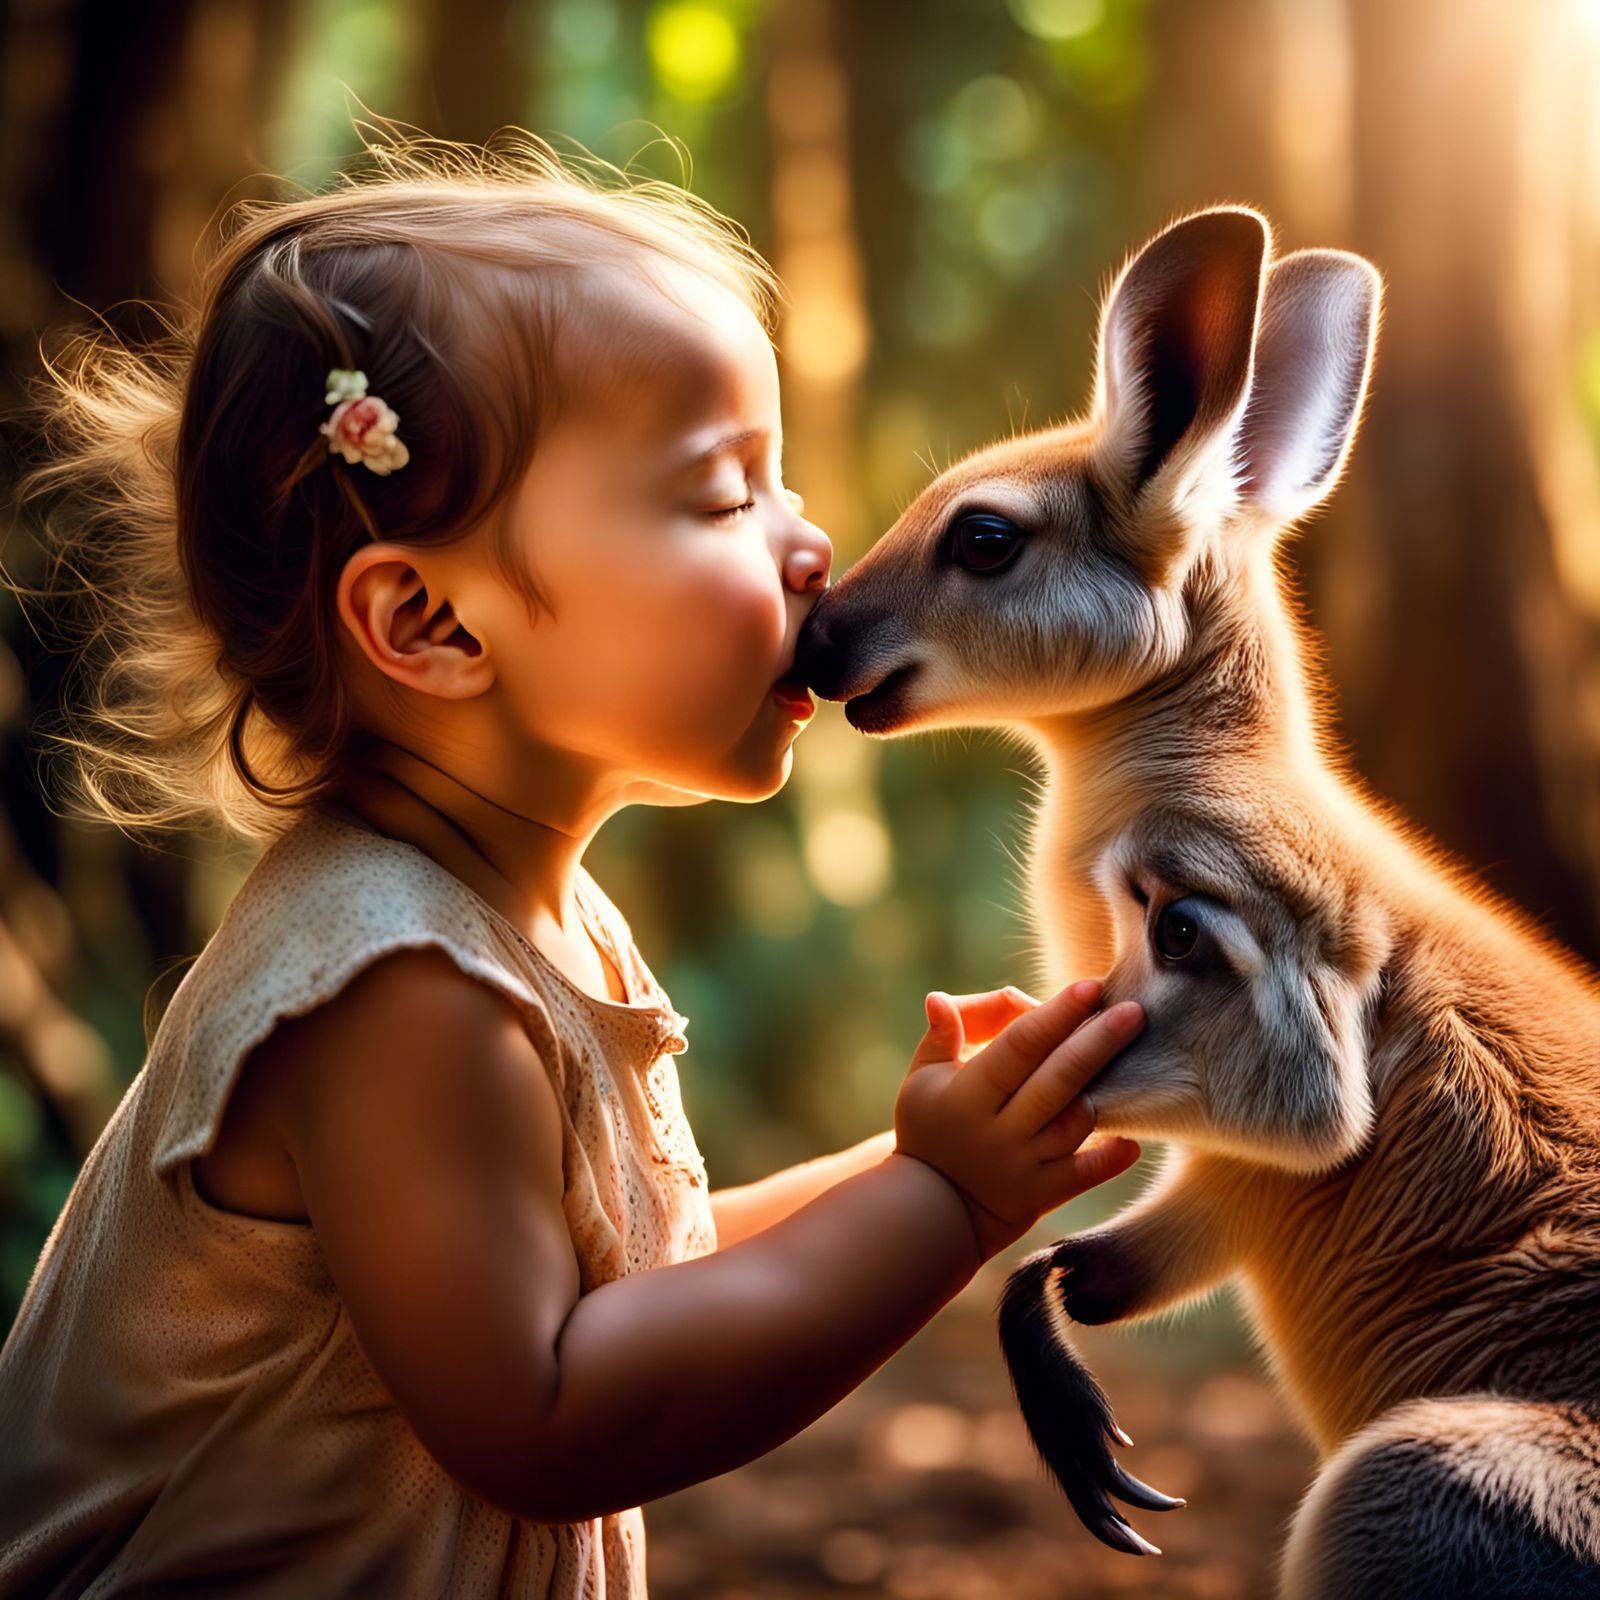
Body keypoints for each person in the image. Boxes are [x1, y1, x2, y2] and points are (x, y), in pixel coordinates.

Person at [0, 125, 1145, 1597]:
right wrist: (945, 1208)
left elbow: (635, 1284)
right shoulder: (396, 987)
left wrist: (931, 1156)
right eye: (728, 495)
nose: (812, 547)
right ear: (431, 623)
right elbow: (552, 1408)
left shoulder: (518, 915)